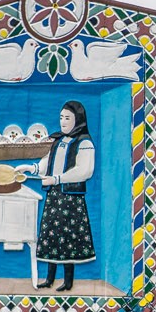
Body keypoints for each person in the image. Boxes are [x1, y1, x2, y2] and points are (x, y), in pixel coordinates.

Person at [22, 99, 96, 291]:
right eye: (61, 117)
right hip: (54, 197)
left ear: (78, 119)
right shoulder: (58, 141)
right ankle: (49, 279)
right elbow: (46, 163)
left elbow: (84, 171)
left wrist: (56, 179)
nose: (63, 122)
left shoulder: (84, 143)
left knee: (68, 239)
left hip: (71, 199)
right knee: (51, 238)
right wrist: (30, 168)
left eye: (68, 118)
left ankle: (68, 282)